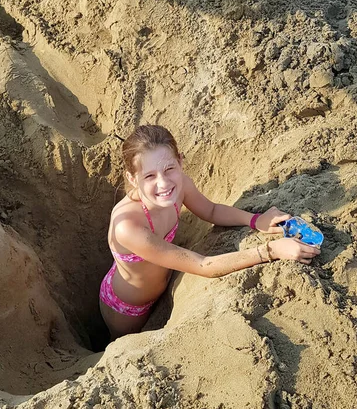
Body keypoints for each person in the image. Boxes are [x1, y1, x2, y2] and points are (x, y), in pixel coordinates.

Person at [99, 125, 321, 339]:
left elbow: (212, 210)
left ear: (180, 161)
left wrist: (254, 220)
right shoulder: (128, 226)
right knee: (120, 343)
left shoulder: (180, 186)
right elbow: (203, 265)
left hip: (164, 283)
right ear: (132, 178)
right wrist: (270, 250)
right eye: (149, 176)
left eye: (169, 169)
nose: (163, 183)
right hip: (127, 307)